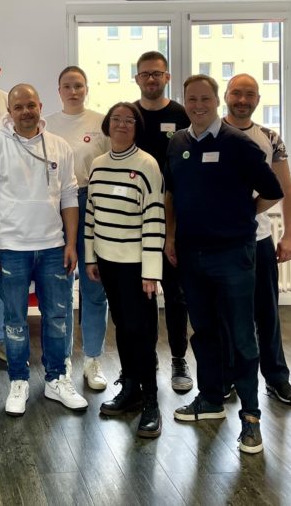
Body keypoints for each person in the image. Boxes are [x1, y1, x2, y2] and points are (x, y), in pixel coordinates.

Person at [164, 74, 283, 455]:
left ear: (217, 101)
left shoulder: (239, 143)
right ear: (184, 102)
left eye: (205, 99)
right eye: (191, 99)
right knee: (204, 332)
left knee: (242, 336)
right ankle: (211, 398)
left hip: (233, 255)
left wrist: (243, 215)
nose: (198, 105)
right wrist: (170, 236)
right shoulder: (177, 143)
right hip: (191, 256)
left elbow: (273, 191)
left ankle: (250, 417)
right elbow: (172, 194)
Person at [0, 84, 87, 416]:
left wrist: (70, 242)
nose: (26, 112)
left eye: (31, 105)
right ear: (9, 112)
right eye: (18, 107)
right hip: (11, 248)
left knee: (58, 317)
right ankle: (19, 381)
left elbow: (69, 196)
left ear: (40, 106)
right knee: (14, 320)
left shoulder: (59, 146)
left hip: (53, 247)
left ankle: (57, 379)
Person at [85, 102, 165, 438]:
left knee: (141, 332)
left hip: (137, 267)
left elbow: (155, 218)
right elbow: (91, 213)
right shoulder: (98, 164)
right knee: (122, 327)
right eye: (116, 119)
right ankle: (130, 389)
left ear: (137, 127)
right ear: (107, 125)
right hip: (106, 262)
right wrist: (90, 257)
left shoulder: (147, 164)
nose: (121, 124)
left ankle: (151, 401)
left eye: (128, 120)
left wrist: (151, 271)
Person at [223, 73, 291, 407]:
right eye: (236, 93)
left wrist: (290, 235)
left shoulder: (270, 138)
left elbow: (285, 188)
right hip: (220, 242)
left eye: (249, 94)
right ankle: (226, 377)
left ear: (257, 99)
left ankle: (276, 378)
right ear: (226, 95)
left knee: (267, 313)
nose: (242, 100)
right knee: (224, 314)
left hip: (259, 239)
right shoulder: (210, 133)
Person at [45, 66, 109, 391]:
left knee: (94, 286)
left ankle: (93, 359)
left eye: (79, 86)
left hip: (94, 204)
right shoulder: (47, 125)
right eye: (67, 86)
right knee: (61, 288)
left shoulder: (101, 123)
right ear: (59, 91)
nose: (73, 91)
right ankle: (64, 357)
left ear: (87, 89)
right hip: (58, 208)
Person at [133, 51, 193, 394]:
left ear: (167, 77)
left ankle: (179, 359)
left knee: (176, 295)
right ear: (137, 79)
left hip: (174, 218)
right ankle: (148, 358)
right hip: (137, 220)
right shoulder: (130, 115)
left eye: (157, 73)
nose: (151, 79)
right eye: (145, 74)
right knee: (143, 296)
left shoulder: (181, 115)